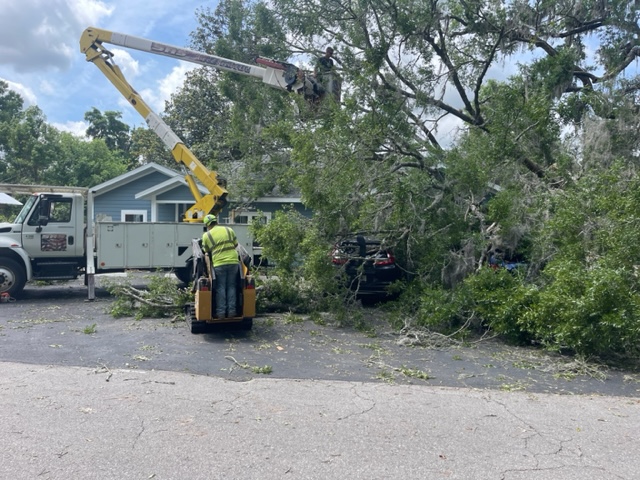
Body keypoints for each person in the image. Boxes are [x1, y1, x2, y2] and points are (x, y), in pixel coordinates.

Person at [201, 214, 239, 318]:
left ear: (208, 225)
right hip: (233, 261)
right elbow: (235, 245)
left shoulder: (206, 235)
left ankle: (221, 313)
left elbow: (206, 251)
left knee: (221, 287)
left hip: (219, 263)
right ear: (216, 221)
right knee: (232, 286)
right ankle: (232, 311)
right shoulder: (229, 230)